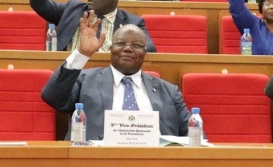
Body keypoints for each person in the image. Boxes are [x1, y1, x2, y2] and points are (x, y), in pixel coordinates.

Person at [41, 12, 189, 141]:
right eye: (120, 43)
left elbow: (194, 134)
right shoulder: (85, 80)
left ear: (145, 53)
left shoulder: (169, 91)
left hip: (156, 165)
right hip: (95, 164)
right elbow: (52, 97)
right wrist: (82, 53)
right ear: (110, 49)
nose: (127, 49)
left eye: (136, 45)